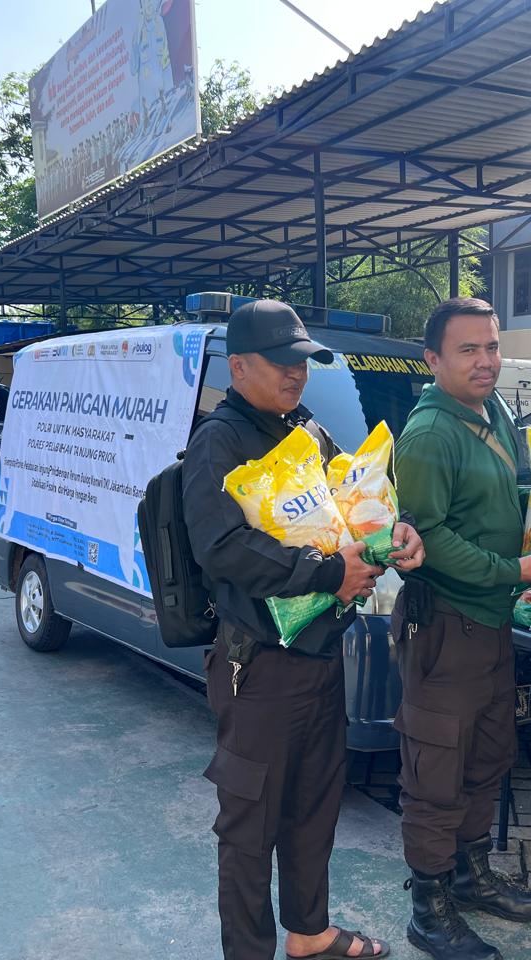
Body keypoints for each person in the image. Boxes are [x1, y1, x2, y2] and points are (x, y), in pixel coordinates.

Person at [184, 299, 426, 960]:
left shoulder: (308, 431)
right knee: (247, 825)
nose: (297, 373)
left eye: (303, 362)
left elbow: (352, 501)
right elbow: (221, 547)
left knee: (315, 807)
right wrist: (326, 574)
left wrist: (390, 532)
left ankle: (308, 932)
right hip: (258, 669)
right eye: (282, 362)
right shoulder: (219, 442)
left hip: (321, 658)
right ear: (239, 366)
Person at [394, 297, 531, 960]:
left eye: (492, 346)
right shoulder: (428, 436)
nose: (487, 361)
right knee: (436, 770)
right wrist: (512, 569)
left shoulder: (492, 410)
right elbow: (427, 536)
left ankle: (470, 877)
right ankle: (429, 909)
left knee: (488, 757)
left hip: (494, 623)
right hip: (447, 630)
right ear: (434, 359)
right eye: (469, 350)